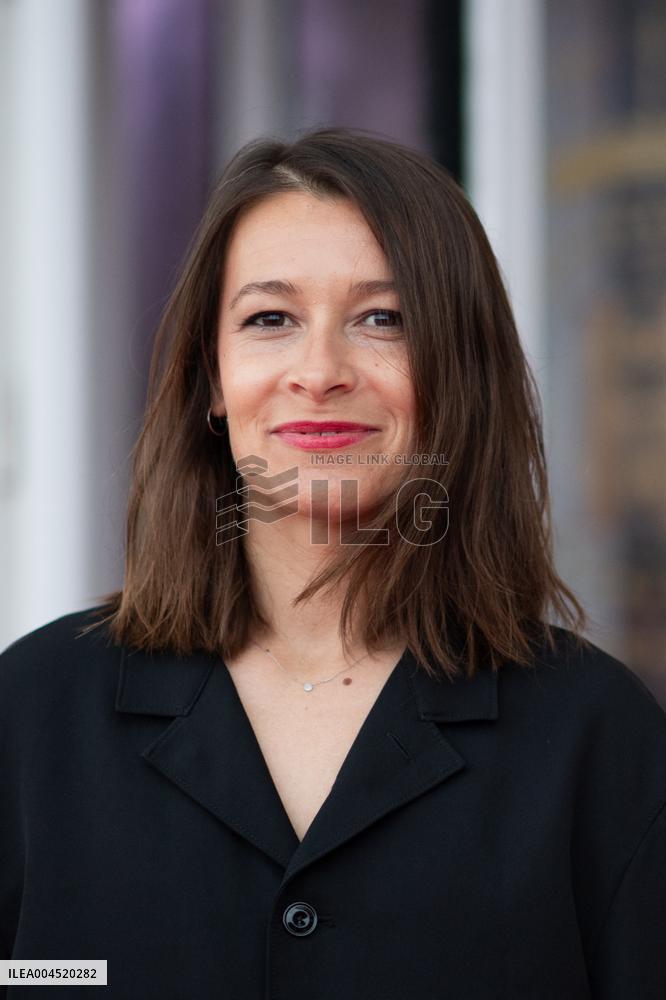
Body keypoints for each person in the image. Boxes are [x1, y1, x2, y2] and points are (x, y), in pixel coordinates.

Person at [1, 126, 664, 1000]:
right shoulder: (33, 711)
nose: (320, 371)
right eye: (270, 319)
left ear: (460, 373)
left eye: (382, 319)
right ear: (211, 377)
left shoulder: (598, 736)